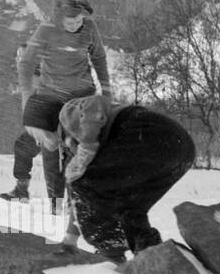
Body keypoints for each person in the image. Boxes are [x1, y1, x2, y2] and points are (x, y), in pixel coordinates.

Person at [57, 93, 196, 263]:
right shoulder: (74, 148)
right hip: (181, 149)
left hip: (147, 133)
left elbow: (95, 102)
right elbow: (79, 199)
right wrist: (70, 239)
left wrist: (87, 144)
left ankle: (110, 251)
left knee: (85, 180)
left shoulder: (67, 114)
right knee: (129, 206)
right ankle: (152, 257)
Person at [11, 0, 111, 212]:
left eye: (79, 21)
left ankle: (77, 200)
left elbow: (99, 59)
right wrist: (28, 97)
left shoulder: (89, 27)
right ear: (60, 20)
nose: (76, 25)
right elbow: (26, 64)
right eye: (70, 22)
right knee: (50, 147)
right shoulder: (46, 30)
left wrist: (107, 91)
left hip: (82, 97)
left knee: (80, 149)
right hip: (50, 96)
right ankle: (55, 202)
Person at [0, 43, 65, 211]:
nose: (20, 59)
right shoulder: (27, 77)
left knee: (53, 163)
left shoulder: (41, 78)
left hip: (52, 128)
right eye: (18, 56)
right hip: (39, 127)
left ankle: (58, 204)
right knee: (22, 146)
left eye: (23, 56)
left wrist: (42, 131)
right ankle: (22, 189)